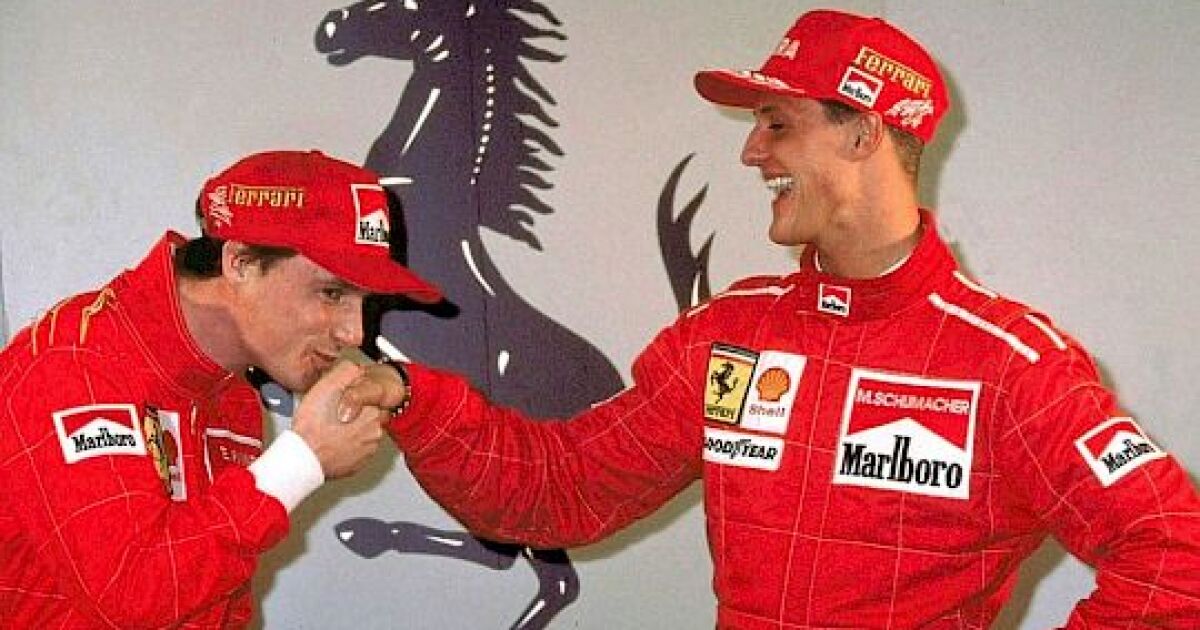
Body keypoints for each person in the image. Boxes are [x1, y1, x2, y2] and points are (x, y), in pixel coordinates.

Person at [340, 8, 1200, 628]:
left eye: (777, 124)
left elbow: (1172, 554)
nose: (752, 151)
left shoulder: (1011, 364)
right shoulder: (732, 334)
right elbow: (557, 491)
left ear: (863, 134)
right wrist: (411, 396)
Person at [0, 150, 439, 627]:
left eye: (365, 302)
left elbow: (212, 605)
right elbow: (132, 594)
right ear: (240, 263)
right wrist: (301, 461)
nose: (354, 333)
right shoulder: (73, 363)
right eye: (331, 293)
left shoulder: (235, 400)